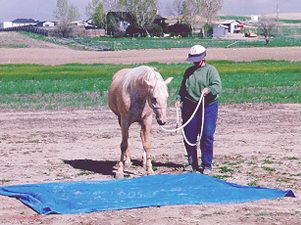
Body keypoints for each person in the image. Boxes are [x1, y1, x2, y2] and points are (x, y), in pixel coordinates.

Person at [175, 44, 222, 175]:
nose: (194, 62)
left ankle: (207, 164)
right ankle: (192, 162)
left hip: (207, 106)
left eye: (197, 59)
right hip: (189, 107)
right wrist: (179, 99)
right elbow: (183, 89)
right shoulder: (188, 72)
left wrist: (209, 90)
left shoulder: (211, 70)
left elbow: (217, 86)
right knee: (189, 136)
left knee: (206, 135)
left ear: (203, 58)